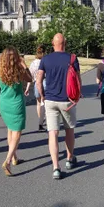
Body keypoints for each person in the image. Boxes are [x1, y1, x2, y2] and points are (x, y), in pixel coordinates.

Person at [36, 33, 81, 180]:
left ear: (52, 43)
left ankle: (56, 167)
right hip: (67, 100)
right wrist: (77, 95)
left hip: (50, 100)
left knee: (53, 133)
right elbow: (78, 81)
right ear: (65, 43)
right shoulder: (72, 59)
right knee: (69, 130)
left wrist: (42, 95)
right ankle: (69, 159)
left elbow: (38, 80)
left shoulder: (45, 59)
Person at [0, 47, 32, 176]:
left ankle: (15, 158)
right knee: (16, 132)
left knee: (10, 129)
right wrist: (24, 65)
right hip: (16, 104)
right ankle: (8, 160)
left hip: (4, 103)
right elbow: (30, 79)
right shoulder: (19, 71)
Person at [25, 45, 47, 131]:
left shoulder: (33, 63)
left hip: (35, 84)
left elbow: (29, 77)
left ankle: (40, 119)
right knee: (45, 102)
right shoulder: (45, 62)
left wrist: (27, 88)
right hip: (45, 82)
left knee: (38, 103)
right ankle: (45, 118)